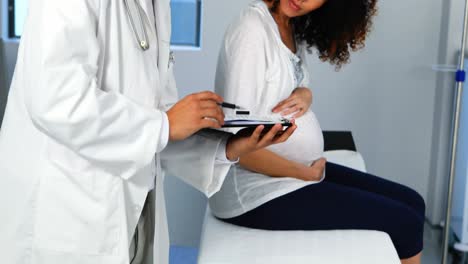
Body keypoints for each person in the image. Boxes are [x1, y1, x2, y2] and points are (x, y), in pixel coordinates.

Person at [0, 0, 297, 263]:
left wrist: (229, 147)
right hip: (69, 214)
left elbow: (161, 123)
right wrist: (164, 124)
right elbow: (56, 100)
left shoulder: (157, 5)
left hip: (135, 207)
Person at [209, 1, 425, 263]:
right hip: (254, 191)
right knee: (404, 222)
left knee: (413, 202)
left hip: (289, 175)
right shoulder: (252, 31)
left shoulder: (290, 27)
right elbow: (238, 147)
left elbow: (291, 88)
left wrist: (306, 94)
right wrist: (304, 173)